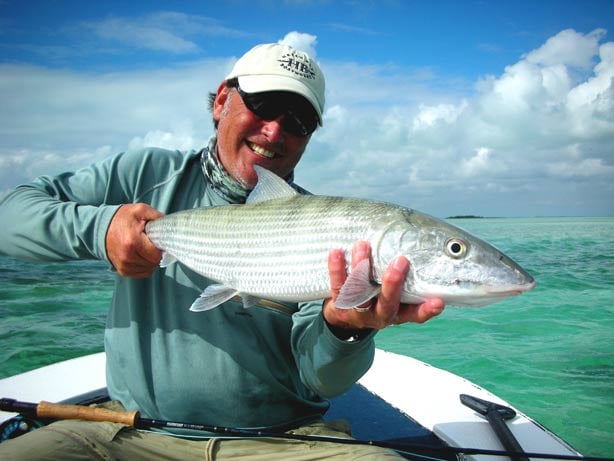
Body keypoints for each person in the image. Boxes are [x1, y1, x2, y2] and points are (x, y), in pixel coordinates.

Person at [0, 43, 445, 460]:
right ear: (220, 102)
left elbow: (322, 379)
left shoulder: (324, 228)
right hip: (128, 432)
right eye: (265, 107)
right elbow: (10, 213)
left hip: (276, 443)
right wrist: (102, 228)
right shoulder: (148, 174)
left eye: (298, 123)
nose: (275, 132)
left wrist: (345, 330)